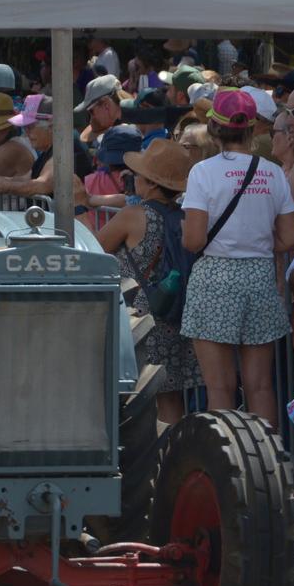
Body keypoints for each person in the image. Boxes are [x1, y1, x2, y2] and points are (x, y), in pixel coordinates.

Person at [180, 89, 294, 429]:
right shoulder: (273, 173)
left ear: (214, 129)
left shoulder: (202, 172)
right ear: (252, 130)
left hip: (216, 278)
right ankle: (267, 468)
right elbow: (292, 237)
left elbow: (193, 241)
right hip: (261, 277)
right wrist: (258, 241)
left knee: (220, 388)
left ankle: (228, 469)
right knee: (260, 385)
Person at [76, 139, 203, 423]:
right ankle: (171, 457)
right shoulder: (185, 217)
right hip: (179, 314)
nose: (134, 180)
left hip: (141, 319)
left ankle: (151, 460)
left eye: (139, 175)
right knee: (169, 396)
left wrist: (79, 212)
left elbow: (94, 251)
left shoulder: (133, 216)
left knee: (139, 396)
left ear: (153, 184)